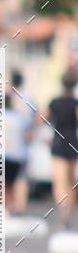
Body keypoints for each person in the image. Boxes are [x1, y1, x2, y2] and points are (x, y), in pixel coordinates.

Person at [47, 69, 78, 228]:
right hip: (73, 143)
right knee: (71, 181)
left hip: (58, 142)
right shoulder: (75, 104)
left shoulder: (55, 102)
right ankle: (70, 211)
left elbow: (43, 118)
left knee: (59, 181)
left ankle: (63, 207)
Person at [4, 94, 29, 214]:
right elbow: (27, 135)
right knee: (12, 183)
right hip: (16, 156)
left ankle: (4, 207)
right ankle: (14, 206)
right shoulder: (18, 118)